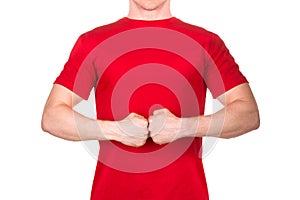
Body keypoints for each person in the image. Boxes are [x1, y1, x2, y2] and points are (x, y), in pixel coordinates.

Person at [41, 0, 260, 199]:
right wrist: (116, 130)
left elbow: (248, 113)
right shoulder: (92, 42)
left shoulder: (206, 42)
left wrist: (184, 126)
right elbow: (52, 116)